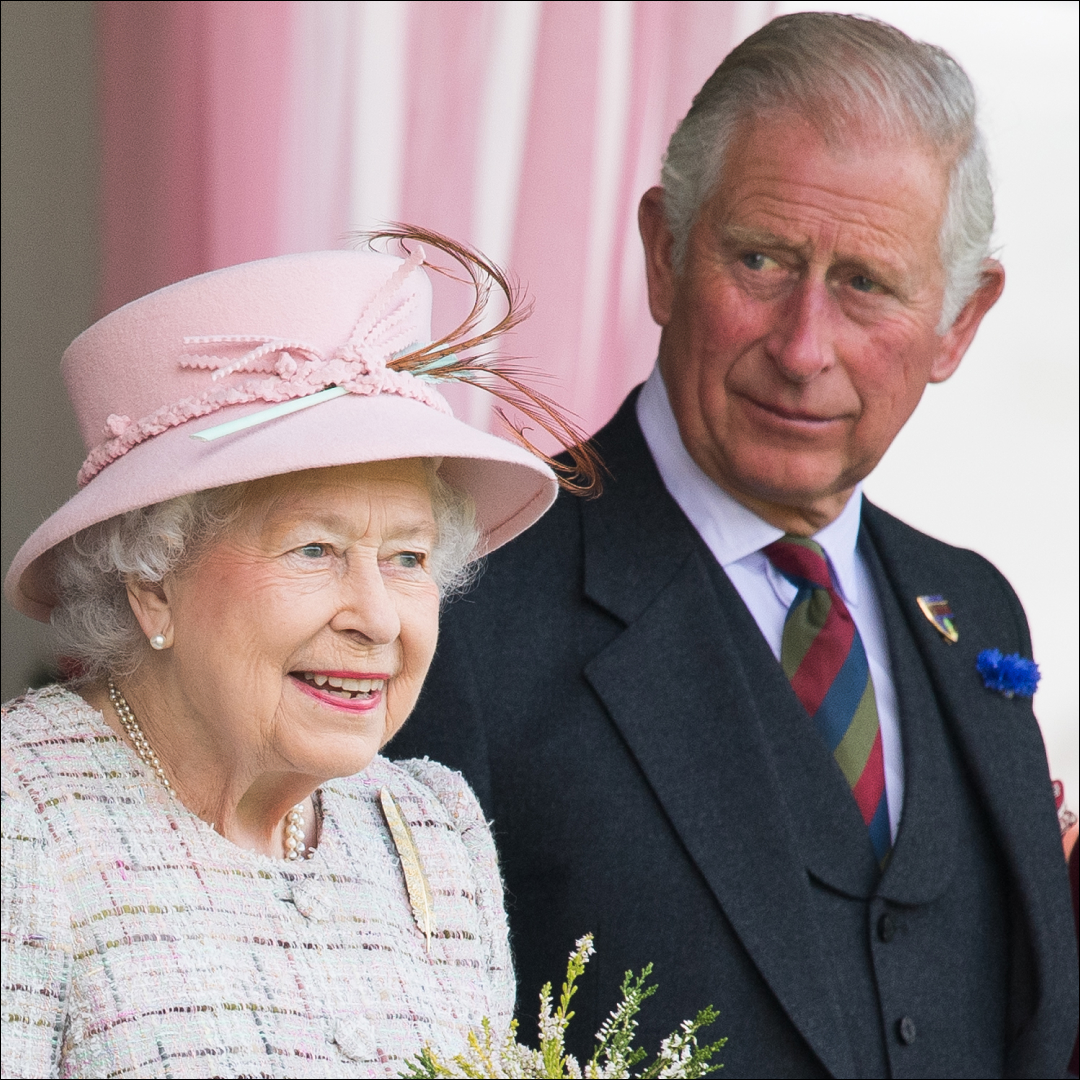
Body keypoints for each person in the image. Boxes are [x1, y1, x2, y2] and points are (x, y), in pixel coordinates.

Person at [389, 14, 1078, 1076]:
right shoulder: (463, 607)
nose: (804, 348)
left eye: (866, 285)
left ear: (959, 322)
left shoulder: (974, 609)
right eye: (759, 259)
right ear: (663, 253)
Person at [0, 233, 595, 1078]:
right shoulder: (24, 817)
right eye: (314, 550)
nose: (378, 619)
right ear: (154, 582)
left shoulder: (431, 833)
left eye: (409, 558)